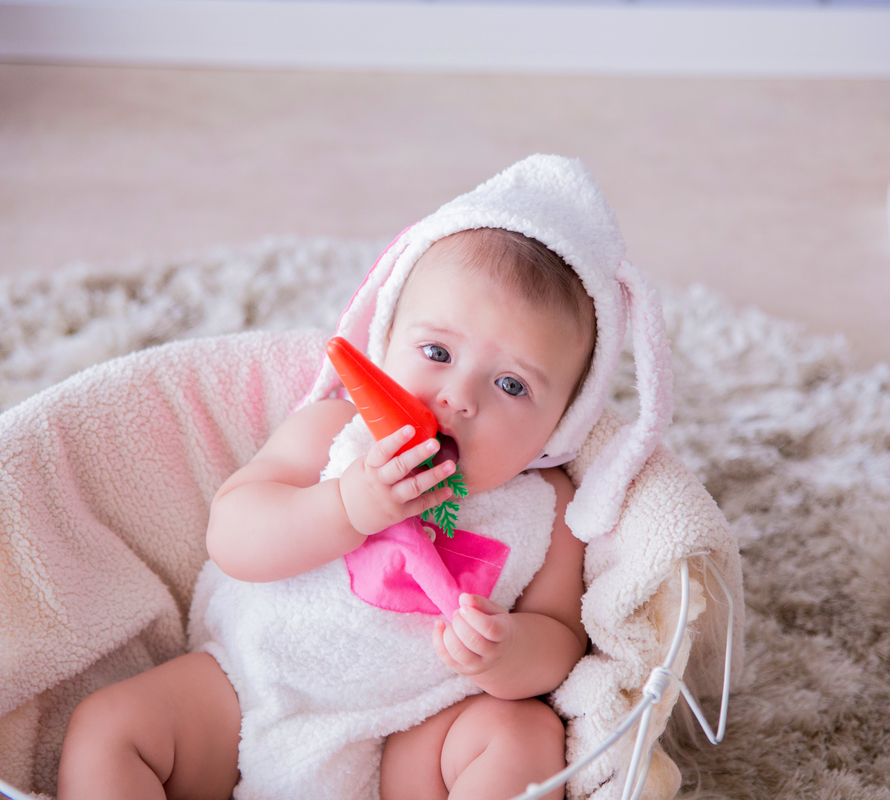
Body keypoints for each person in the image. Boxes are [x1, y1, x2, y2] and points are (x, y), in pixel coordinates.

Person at [56, 154, 674, 800]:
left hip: (414, 733)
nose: (459, 398)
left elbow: (560, 641)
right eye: (436, 353)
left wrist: (508, 651)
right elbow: (233, 536)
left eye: (512, 385)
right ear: (385, 343)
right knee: (108, 726)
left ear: (562, 424)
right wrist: (348, 506)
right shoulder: (334, 435)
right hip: (250, 691)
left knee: (520, 736)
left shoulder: (546, 509)